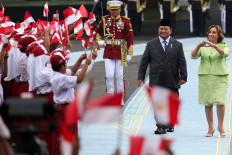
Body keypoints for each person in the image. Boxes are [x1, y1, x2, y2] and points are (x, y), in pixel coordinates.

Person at [137, 19, 187, 134]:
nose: (163, 31)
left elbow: (182, 62)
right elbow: (144, 62)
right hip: (156, 78)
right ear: (158, 30)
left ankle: (170, 123)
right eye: (161, 29)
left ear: (170, 30)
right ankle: (160, 125)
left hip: (172, 78)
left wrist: (183, 76)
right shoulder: (151, 44)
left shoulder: (177, 45)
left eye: (165, 29)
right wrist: (140, 77)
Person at [191, 25, 229, 137]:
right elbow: (193, 56)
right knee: (208, 103)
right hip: (205, 76)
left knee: (220, 102)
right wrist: (198, 46)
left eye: (214, 32)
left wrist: (213, 45)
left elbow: (224, 53)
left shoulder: (224, 45)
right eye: (210, 32)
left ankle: (220, 126)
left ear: (218, 35)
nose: (211, 34)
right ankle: (210, 127)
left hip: (219, 77)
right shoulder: (203, 47)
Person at [95, 0, 134, 104]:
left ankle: (120, 97)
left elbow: (130, 38)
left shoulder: (126, 21)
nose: (115, 11)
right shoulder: (104, 20)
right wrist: (99, 41)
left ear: (120, 9)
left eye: (116, 9)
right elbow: (96, 32)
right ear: (109, 9)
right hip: (108, 51)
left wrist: (129, 53)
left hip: (120, 51)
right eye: (112, 9)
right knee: (109, 75)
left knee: (120, 76)